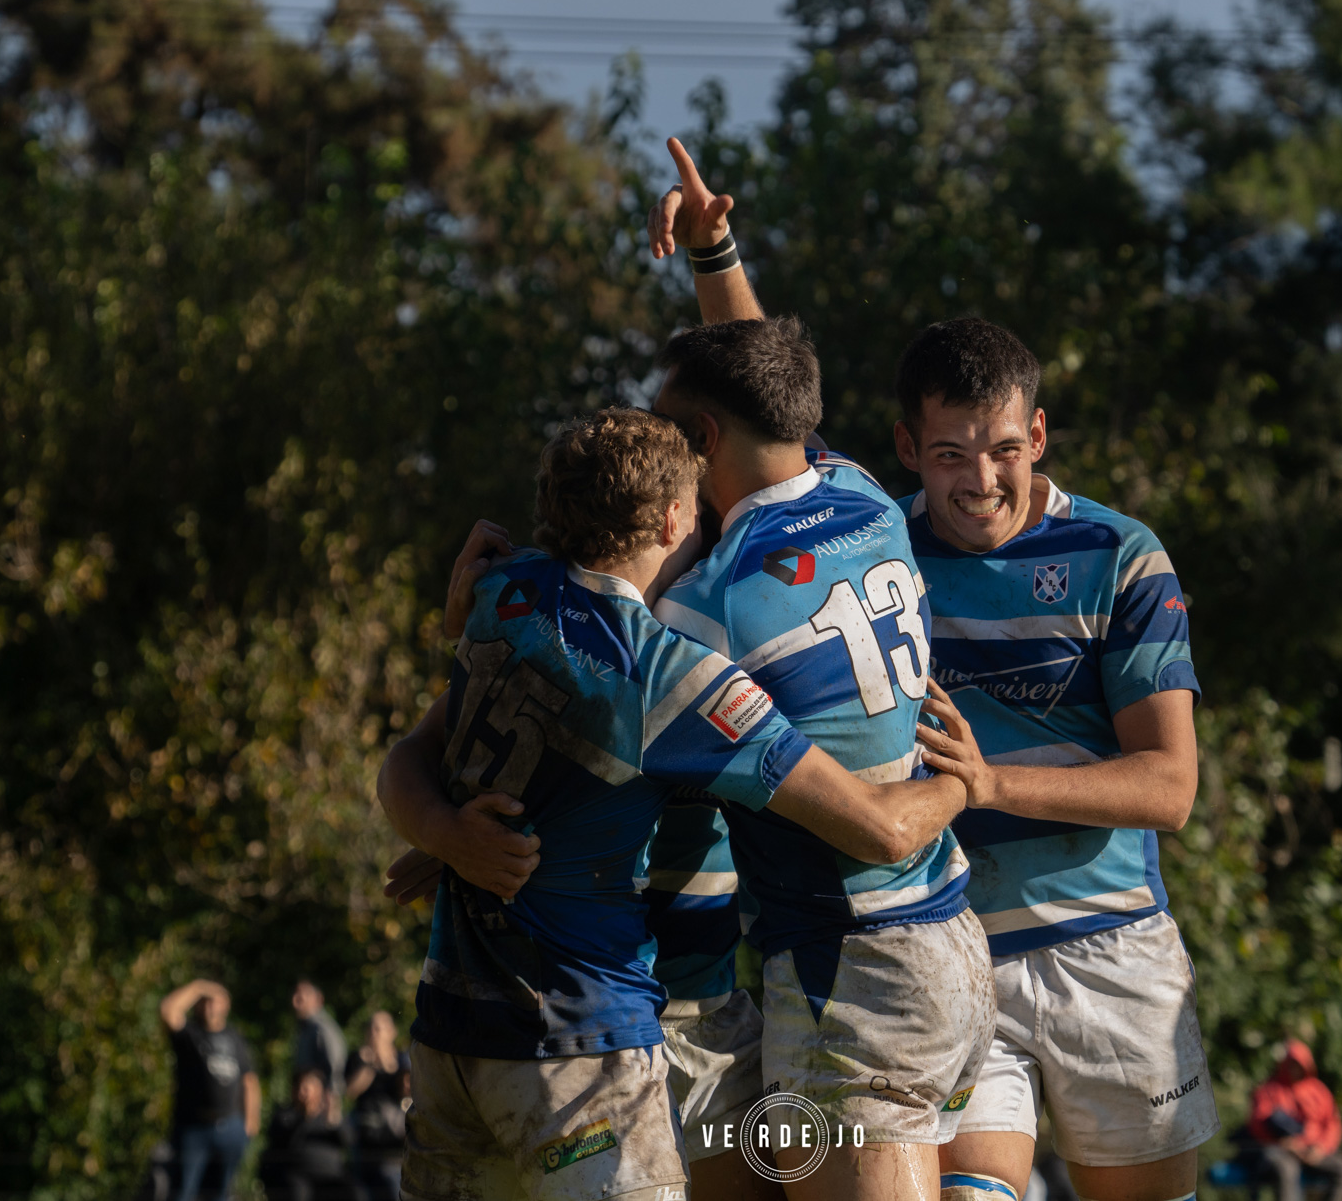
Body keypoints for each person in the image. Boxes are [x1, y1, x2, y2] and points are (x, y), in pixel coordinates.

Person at [647, 138, 1215, 1201]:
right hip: (953, 937)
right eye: (951, 453)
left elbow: (1170, 787)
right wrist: (717, 255)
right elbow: (768, 411)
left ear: (1038, 435)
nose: (980, 479)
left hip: (1109, 946)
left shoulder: (1120, 554)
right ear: (909, 449)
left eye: (1003, 449)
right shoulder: (872, 526)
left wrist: (986, 784)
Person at [376, 408, 977, 1201]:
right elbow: (879, 828)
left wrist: (442, 832)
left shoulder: (507, 590)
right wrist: (967, 780)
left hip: (452, 1026)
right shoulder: (669, 672)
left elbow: (411, 758)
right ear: (670, 518)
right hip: (588, 1038)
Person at [159, 978, 261, 1201]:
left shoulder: (236, 1039)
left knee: (220, 1194)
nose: (210, 1006)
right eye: (204, 1001)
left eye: (215, 1001)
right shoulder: (190, 1034)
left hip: (230, 1128)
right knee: (183, 1192)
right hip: (193, 1128)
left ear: (226, 1005)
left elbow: (249, 1081)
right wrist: (198, 986)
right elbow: (167, 1010)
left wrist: (250, 1124)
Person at [1241, 1040, 1342, 1201]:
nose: (1294, 1070)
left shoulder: (1318, 1091)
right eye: (1291, 1065)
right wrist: (1285, 1143)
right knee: (1286, 1169)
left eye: (1299, 1065)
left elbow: (1332, 1124)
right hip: (1283, 1150)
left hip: (1314, 1151)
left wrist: (1321, 1148)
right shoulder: (1269, 1090)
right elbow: (1257, 1124)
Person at [260, 1068, 358, 1201]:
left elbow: (348, 1141)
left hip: (331, 1177)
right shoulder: (286, 1115)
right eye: (300, 1086)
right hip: (297, 1176)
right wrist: (305, 1117)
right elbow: (281, 1140)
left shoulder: (331, 1117)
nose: (303, 1091)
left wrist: (333, 1121)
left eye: (309, 1086)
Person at [345, 1011, 410, 1201]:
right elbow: (351, 1091)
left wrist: (387, 1061)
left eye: (379, 1029)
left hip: (393, 1137)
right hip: (365, 1134)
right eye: (371, 1028)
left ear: (392, 1032)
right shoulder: (358, 1058)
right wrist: (370, 1065)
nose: (374, 1034)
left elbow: (407, 1089)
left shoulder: (402, 1059)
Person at [292, 981, 348, 1117]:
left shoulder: (322, 1029)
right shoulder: (306, 1028)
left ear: (318, 999)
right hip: (308, 1102)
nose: (295, 1003)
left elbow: (335, 1065)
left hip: (323, 1104)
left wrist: (331, 1099)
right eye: (295, 997)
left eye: (301, 998)